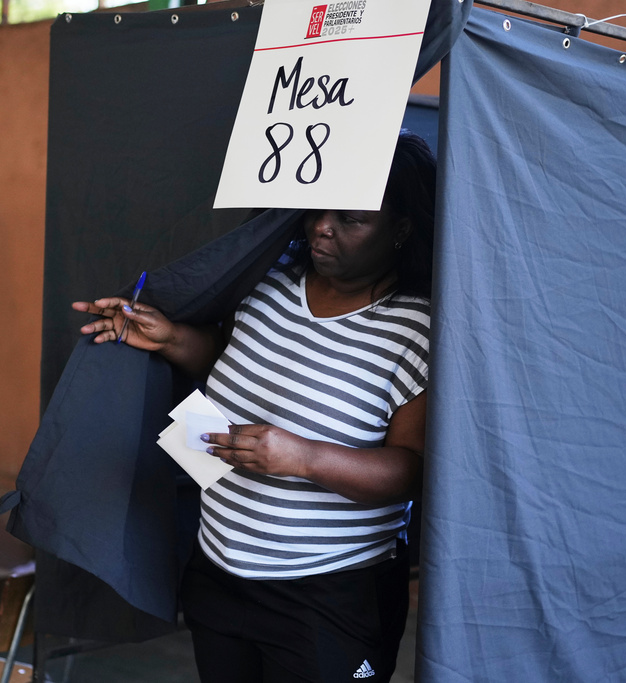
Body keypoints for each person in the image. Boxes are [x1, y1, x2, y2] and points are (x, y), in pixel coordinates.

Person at [71, 130, 436, 683]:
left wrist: (304, 457)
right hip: (219, 570)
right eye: (318, 207)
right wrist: (171, 339)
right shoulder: (267, 281)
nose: (322, 226)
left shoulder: (420, 328)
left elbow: (413, 469)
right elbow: (230, 363)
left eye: (352, 217)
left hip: (325, 596)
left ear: (402, 229)